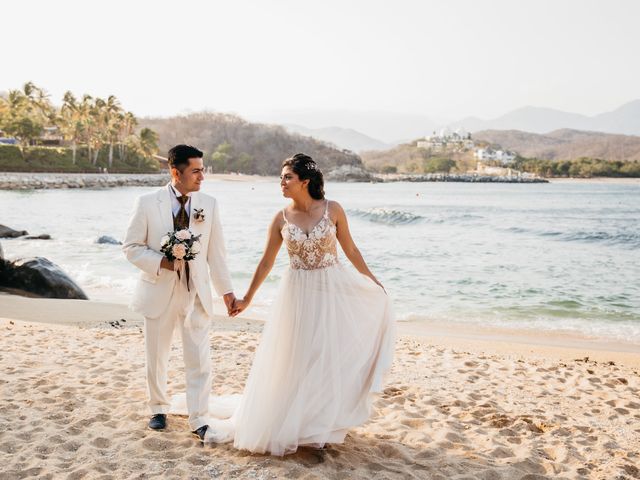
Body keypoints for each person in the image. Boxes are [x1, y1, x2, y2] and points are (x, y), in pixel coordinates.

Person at [203, 153, 395, 455]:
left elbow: (352, 250)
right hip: (296, 293)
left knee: (325, 355)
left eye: (287, 177)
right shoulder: (280, 218)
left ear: (305, 181)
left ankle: (319, 423)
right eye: (281, 177)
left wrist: (372, 281)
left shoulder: (333, 210)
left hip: (331, 290)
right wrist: (247, 299)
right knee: (296, 356)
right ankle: (294, 421)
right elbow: (266, 261)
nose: (281, 182)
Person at [122, 144, 237, 441]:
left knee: (199, 356)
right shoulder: (147, 202)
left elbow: (217, 253)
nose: (202, 176)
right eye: (196, 171)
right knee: (157, 354)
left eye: (203, 169)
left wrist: (227, 293)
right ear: (176, 172)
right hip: (159, 288)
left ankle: (199, 417)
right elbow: (131, 247)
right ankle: (158, 409)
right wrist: (162, 262)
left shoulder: (208, 204)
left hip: (196, 292)